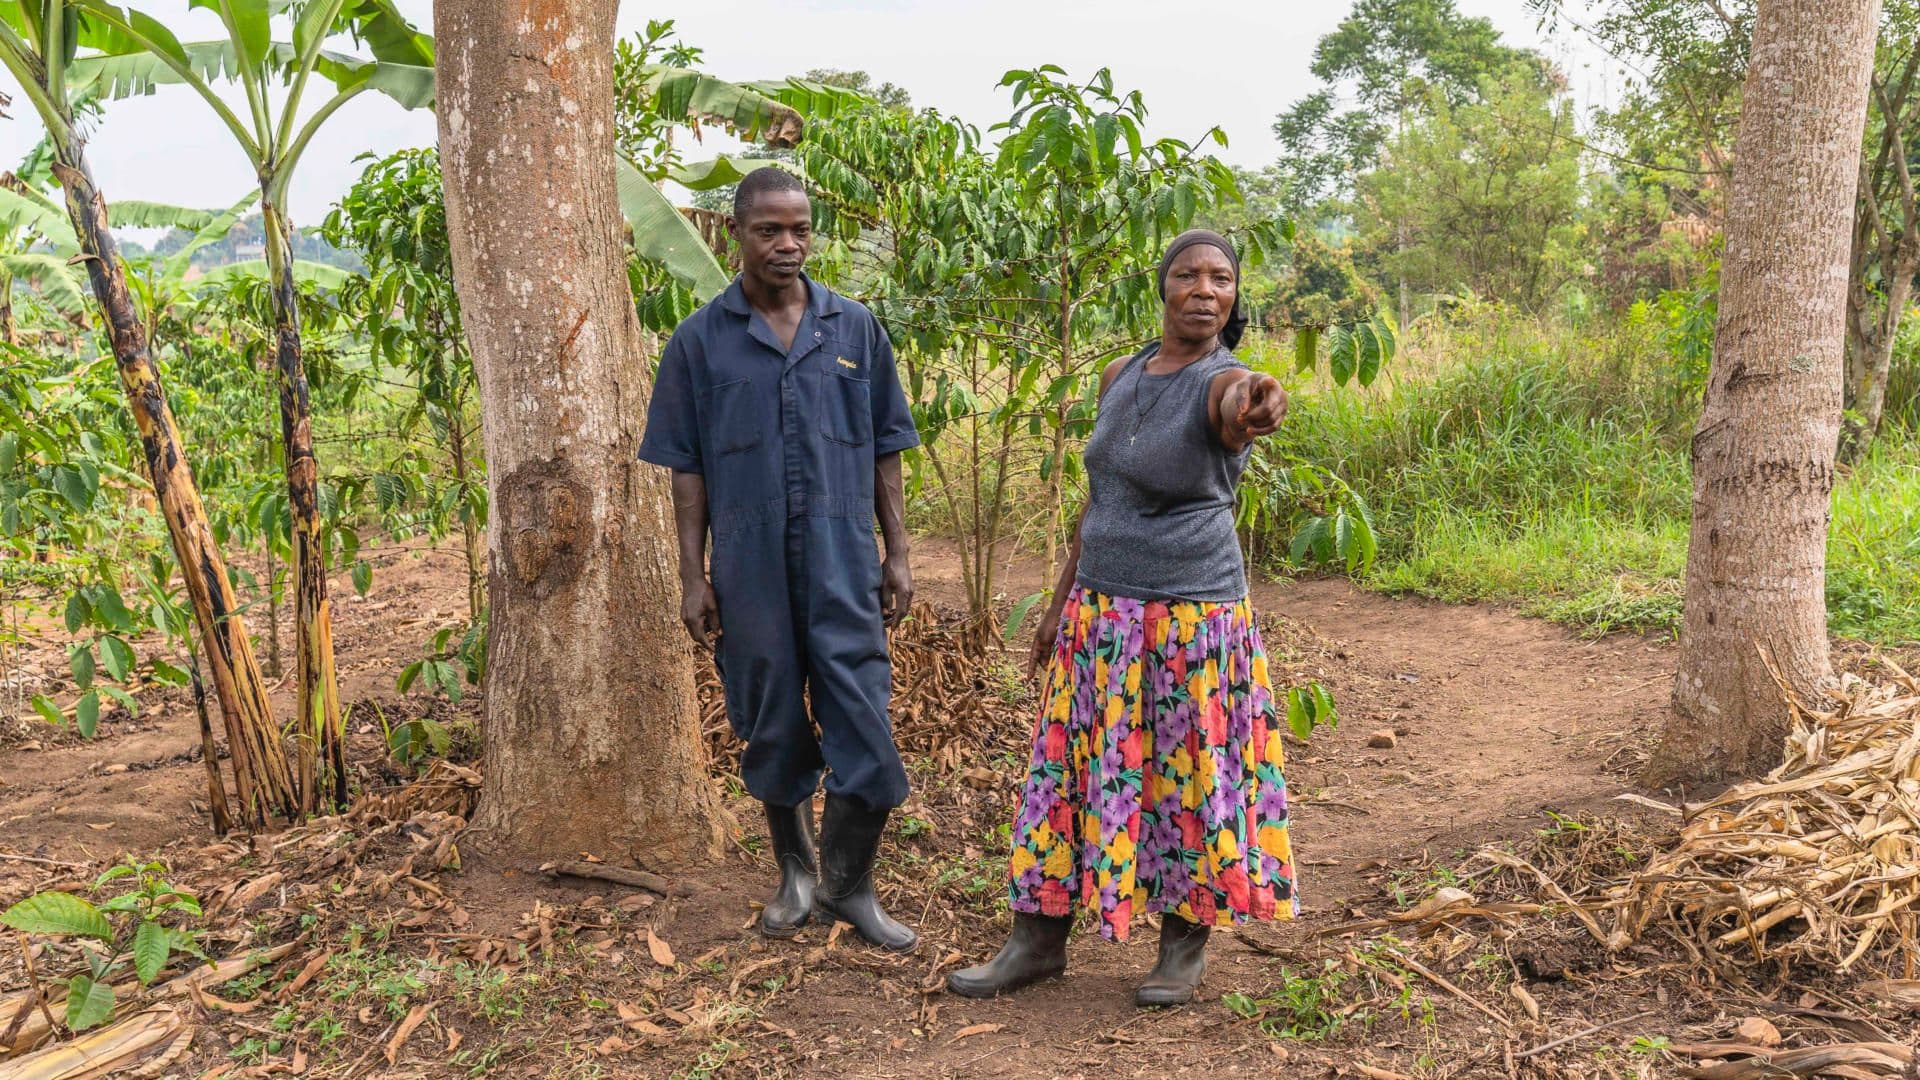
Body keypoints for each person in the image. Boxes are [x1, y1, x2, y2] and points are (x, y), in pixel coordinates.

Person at [947, 229, 1298, 1006]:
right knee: (1064, 775)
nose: (1205, 290)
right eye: (1188, 275)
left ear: (1235, 298)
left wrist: (1261, 399)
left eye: (1221, 279)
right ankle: (1036, 942)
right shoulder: (1120, 374)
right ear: (1163, 286)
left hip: (1190, 620)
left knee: (1186, 778)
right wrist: (1063, 599)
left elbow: (1250, 400)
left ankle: (1183, 944)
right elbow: (1098, 498)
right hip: (1100, 614)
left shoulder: (1222, 382)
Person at [639, 167, 922, 952]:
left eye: (800, 228)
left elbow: (887, 450)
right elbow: (685, 468)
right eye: (769, 229)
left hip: (842, 560)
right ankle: (795, 875)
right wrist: (692, 577)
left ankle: (849, 885)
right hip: (750, 566)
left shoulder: (855, 328)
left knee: (864, 718)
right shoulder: (700, 341)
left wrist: (897, 553)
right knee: (768, 722)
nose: (788, 243)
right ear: (736, 233)